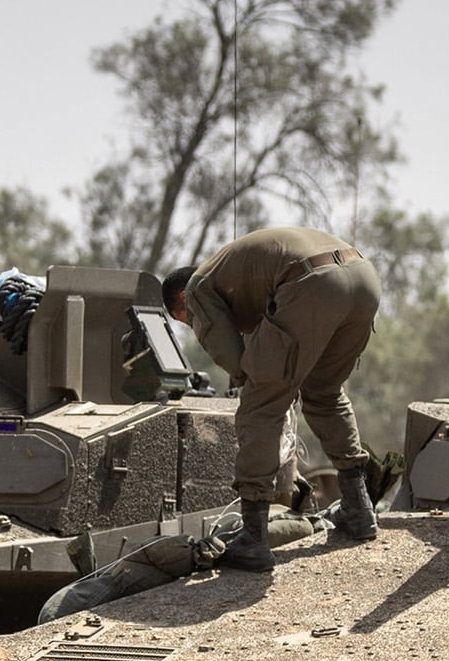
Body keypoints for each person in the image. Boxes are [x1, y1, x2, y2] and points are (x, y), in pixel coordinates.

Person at [162, 227, 383, 573]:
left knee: (260, 407)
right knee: (324, 393)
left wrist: (262, 386)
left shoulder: (198, 288)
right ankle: (359, 509)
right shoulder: (236, 274)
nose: (193, 324)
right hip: (363, 279)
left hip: (313, 284)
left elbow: (235, 360)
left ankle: (253, 539)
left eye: (187, 320)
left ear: (182, 300)